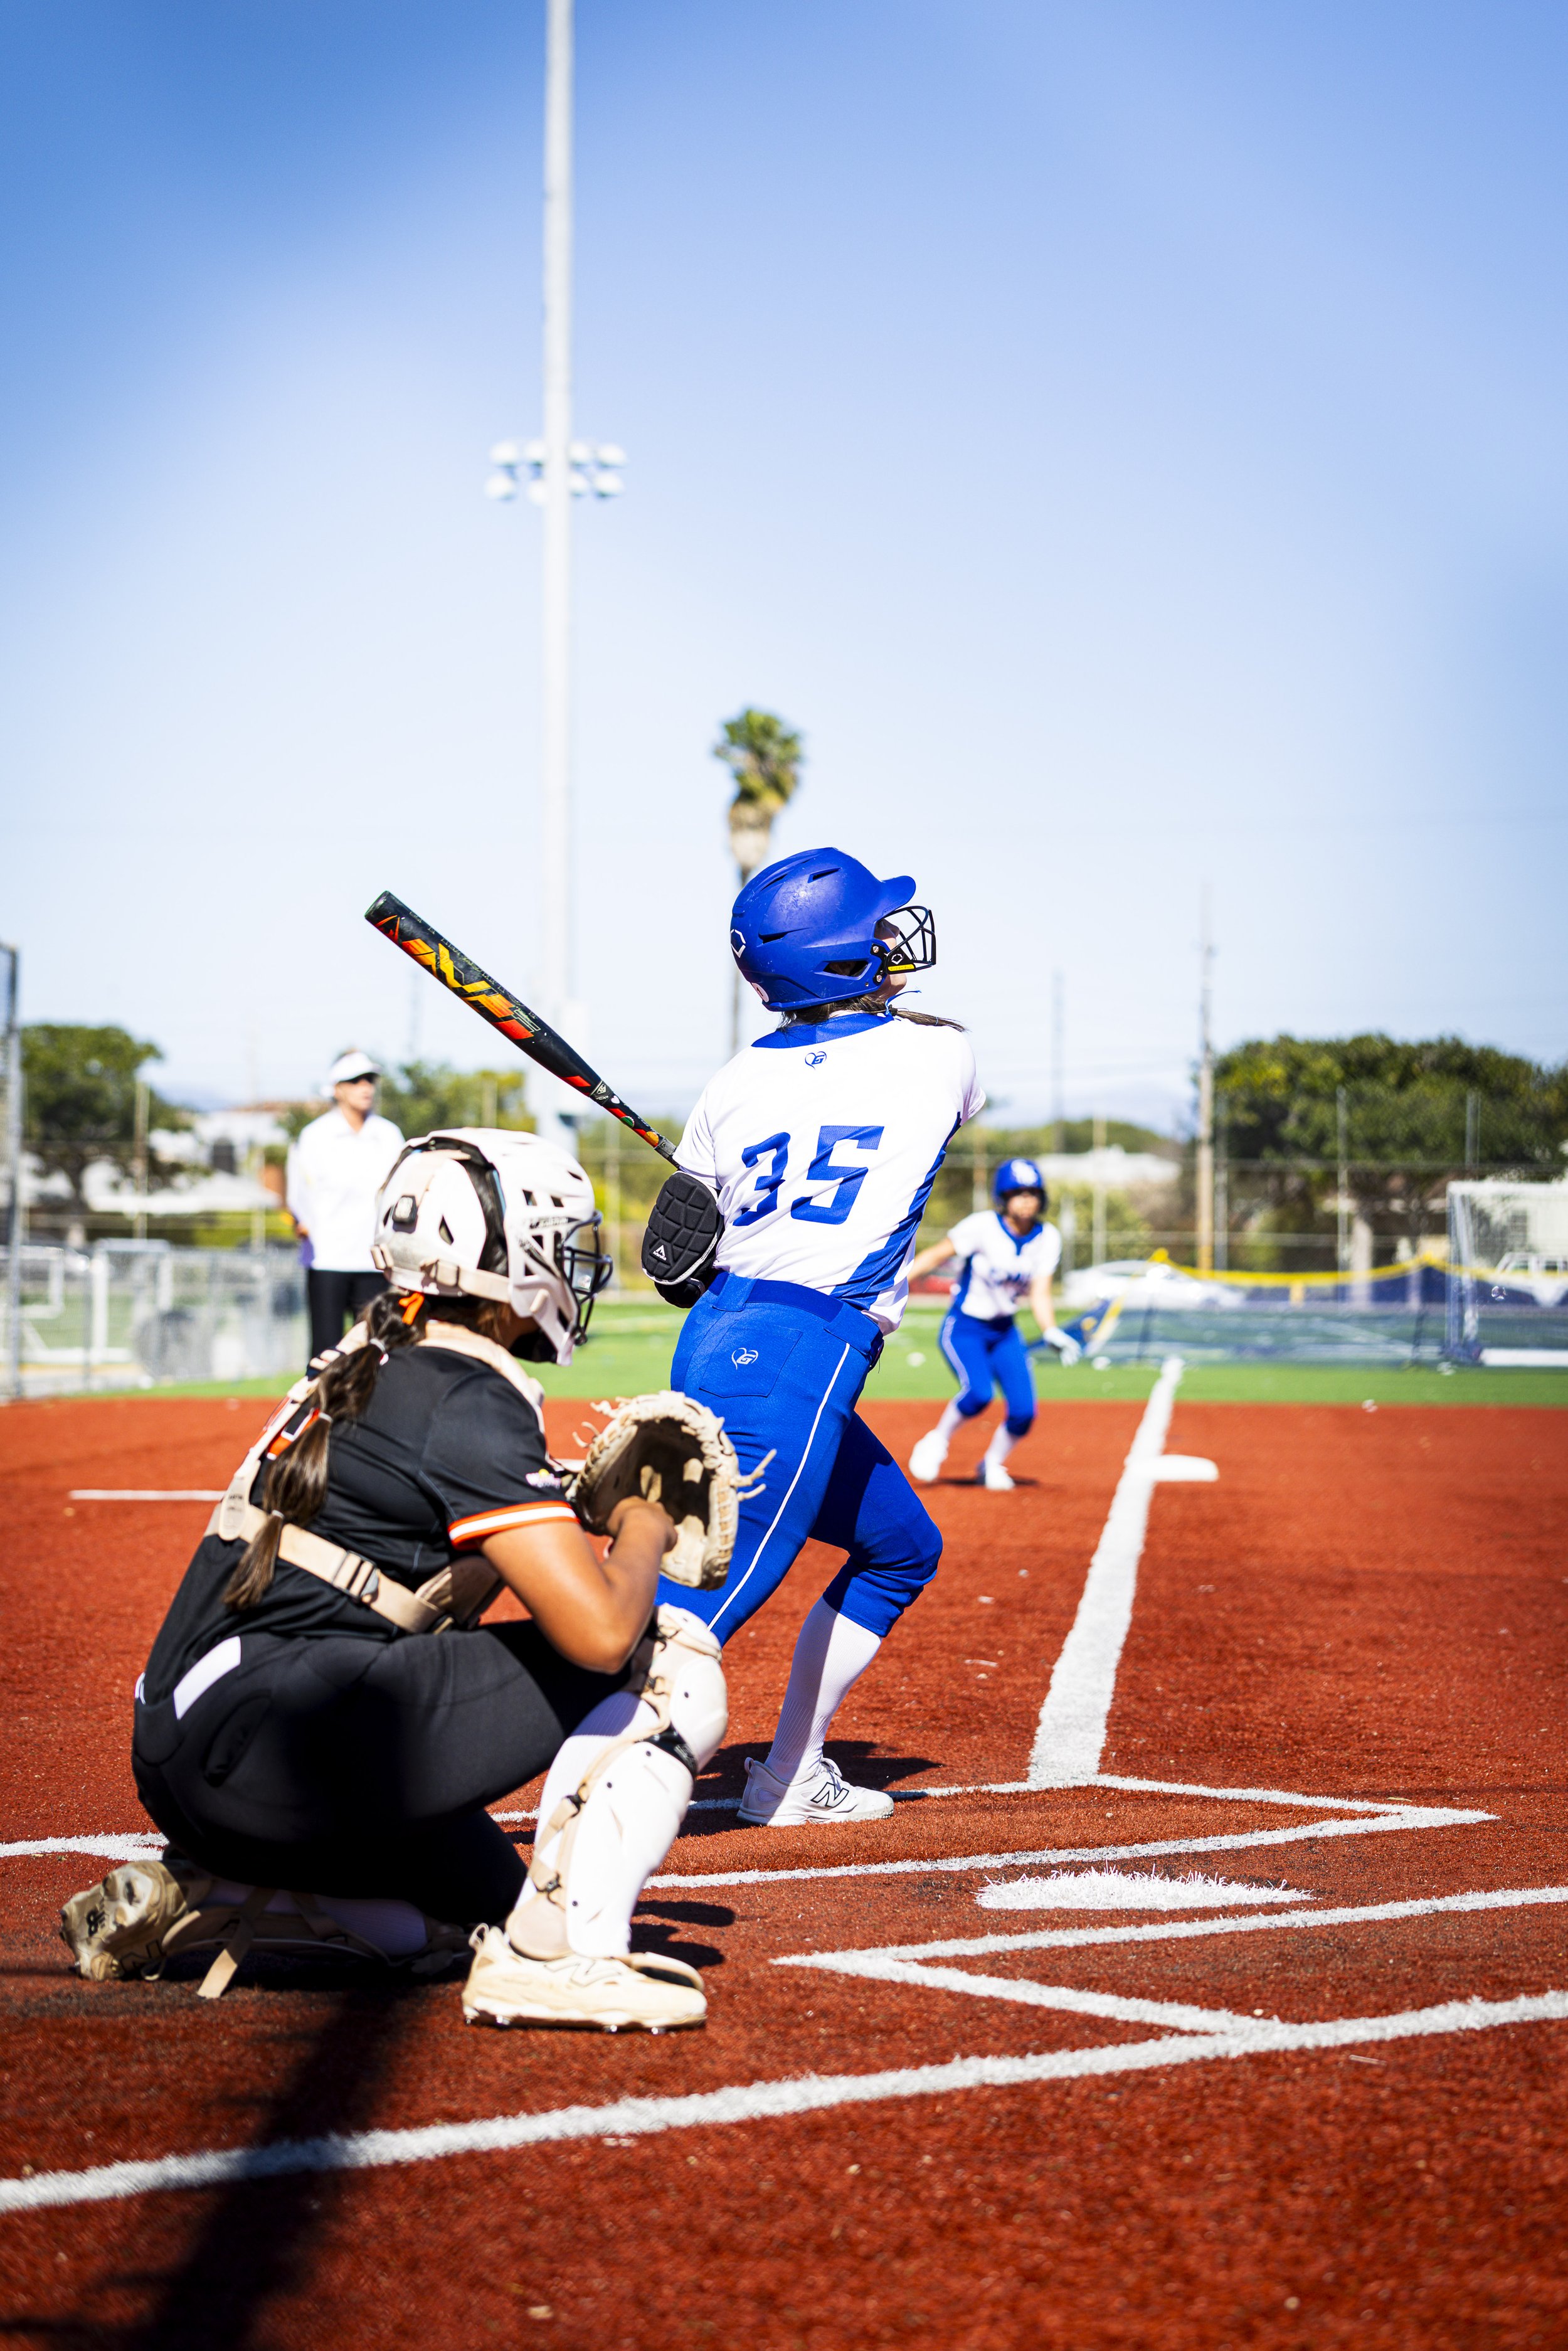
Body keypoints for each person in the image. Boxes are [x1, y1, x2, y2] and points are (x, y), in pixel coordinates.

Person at [61, 1128, 729, 2034]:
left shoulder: (371, 1353)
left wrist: (571, 1503)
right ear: (507, 1252)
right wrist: (645, 1520)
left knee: (488, 1912)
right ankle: (562, 1964)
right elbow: (603, 1634)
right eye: (561, 1242)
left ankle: (225, 1894)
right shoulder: (463, 1394)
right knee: (669, 1659)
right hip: (282, 1742)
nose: (575, 1267)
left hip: (201, 1758)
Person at [644, 846, 983, 1828]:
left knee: (901, 1548)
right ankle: (548, 1822)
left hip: (724, 1333)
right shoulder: (943, 1053)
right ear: (839, 956)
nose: (893, 941)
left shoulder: (731, 1082)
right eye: (874, 930)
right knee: (686, 1629)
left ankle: (788, 1777)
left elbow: (681, 1262)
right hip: (799, 1354)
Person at [905, 1158, 1078, 1492]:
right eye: (1018, 1193)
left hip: (1005, 1332)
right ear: (1003, 1196)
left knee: (1024, 1412)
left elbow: (1040, 1291)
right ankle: (936, 1441)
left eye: (1033, 1193)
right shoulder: (983, 1226)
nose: (1027, 1200)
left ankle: (992, 1464)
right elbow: (937, 1255)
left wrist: (1050, 1330)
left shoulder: (1047, 1237)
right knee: (979, 1393)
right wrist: (895, 1284)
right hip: (965, 1327)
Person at [286, 1050, 405, 1367]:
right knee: (326, 1352)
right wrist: (306, 1225)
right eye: (356, 1081)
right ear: (337, 1089)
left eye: (370, 1080)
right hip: (328, 1259)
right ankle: (321, 1401)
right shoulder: (315, 1136)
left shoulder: (388, 1134)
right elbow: (298, 1193)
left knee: (375, 1350)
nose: (366, 1087)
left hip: (374, 1261)